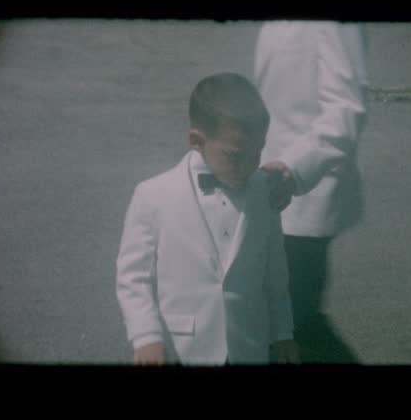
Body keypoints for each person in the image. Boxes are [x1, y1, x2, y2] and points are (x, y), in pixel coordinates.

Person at [116, 72, 299, 366]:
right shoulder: (153, 195)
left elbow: (275, 272)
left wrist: (283, 332)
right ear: (196, 140)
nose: (251, 165)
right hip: (182, 348)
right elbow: (132, 276)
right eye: (236, 155)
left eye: (258, 153)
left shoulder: (265, 192)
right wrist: (146, 335)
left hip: (249, 345)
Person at [254, 21, 369, 362]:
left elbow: (346, 109)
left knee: (293, 324)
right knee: (284, 323)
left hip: (306, 196)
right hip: (272, 188)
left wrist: (294, 167)